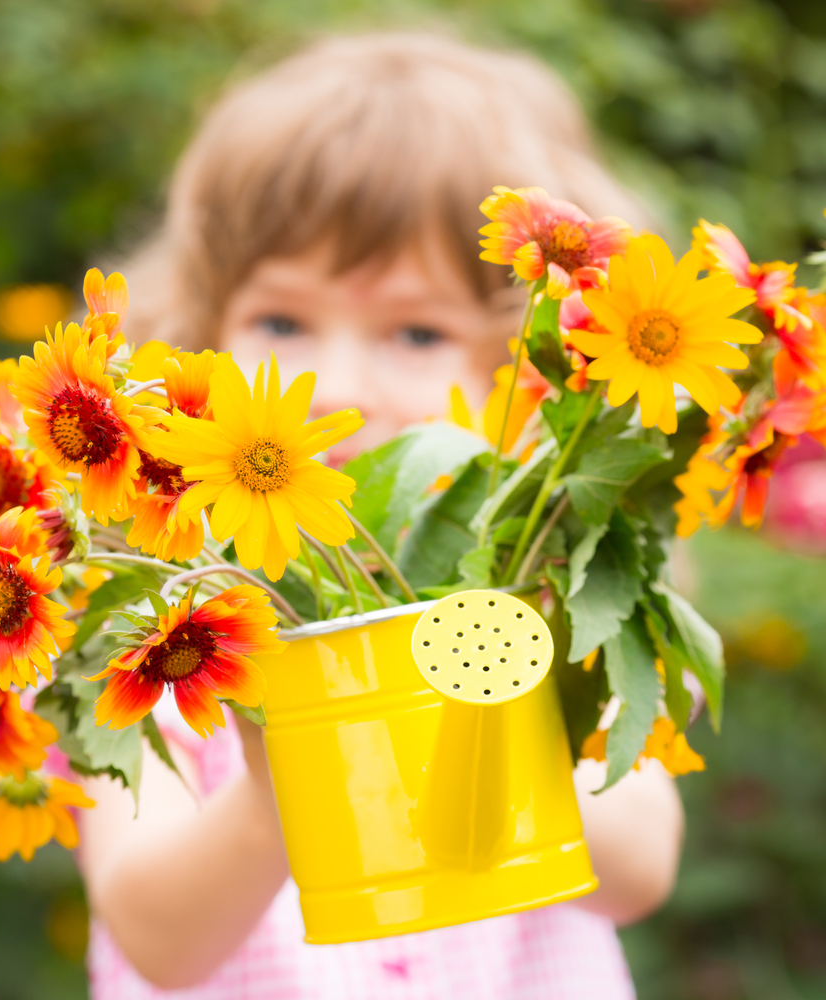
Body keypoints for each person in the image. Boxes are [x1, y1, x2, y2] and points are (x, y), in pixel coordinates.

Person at [78, 32, 684, 999]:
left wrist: (474, 698)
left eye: (415, 330)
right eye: (281, 322)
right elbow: (158, 938)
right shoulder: (154, 619)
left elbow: (639, 863)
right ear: (202, 330)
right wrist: (279, 791)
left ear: (530, 363)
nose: (333, 384)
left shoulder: (567, 592)